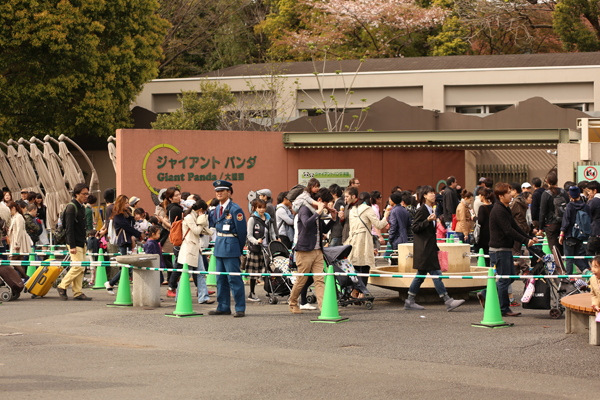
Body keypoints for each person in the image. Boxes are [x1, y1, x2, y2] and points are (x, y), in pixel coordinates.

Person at [477, 183, 537, 317]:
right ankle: (503, 309)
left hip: (504, 248)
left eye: (511, 192)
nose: (511, 194)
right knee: (505, 279)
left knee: (510, 276)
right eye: (508, 193)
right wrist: (526, 241)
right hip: (498, 249)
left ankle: (486, 293)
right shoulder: (498, 210)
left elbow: (515, 226)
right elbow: (508, 230)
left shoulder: (505, 208)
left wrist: (529, 237)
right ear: (501, 196)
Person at [404, 186, 464, 311]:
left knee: (420, 276)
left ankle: (410, 300)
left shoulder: (430, 209)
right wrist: (427, 220)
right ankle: (448, 300)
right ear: (424, 196)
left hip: (428, 249)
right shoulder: (422, 210)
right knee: (436, 274)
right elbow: (415, 227)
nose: (433, 194)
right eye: (430, 193)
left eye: (433, 192)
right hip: (425, 250)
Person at [288, 188, 337, 314]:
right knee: (301, 280)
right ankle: (293, 302)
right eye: (326, 203)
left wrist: (333, 219)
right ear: (320, 200)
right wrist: (319, 212)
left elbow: (323, 230)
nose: (327, 206)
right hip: (304, 250)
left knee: (320, 280)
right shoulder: (305, 209)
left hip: (317, 251)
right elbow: (306, 224)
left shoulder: (317, 212)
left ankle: (324, 307)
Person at [209, 180, 247, 318]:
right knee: (220, 279)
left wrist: (239, 248)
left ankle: (240, 307)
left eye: (222, 191)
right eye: (217, 191)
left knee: (234, 279)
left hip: (231, 246)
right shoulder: (215, 210)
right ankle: (223, 306)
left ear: (229, 192)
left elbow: (242, 232)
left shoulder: (235, 209)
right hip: (219, 246)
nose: (219, 193)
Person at [56, 183, 92, 301]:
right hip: (74, 242)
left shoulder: (82, 206)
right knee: (78, 267)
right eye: (83, 194)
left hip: (82, 241)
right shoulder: (72, 207)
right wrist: (71, 245)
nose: (86, 196)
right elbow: (69, 228)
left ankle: (77, 292)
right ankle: (62, 286)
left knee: (81, 267)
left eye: (87, 193)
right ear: (76, 194)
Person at [346, 191, 389, 288]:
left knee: (356, 266)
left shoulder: (352, 209)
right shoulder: (368, 209)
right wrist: (386, 215)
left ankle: (354, 292)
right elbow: (378, 225)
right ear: (369, 199)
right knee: (365, 267)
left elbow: (351, 227)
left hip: (353, 240)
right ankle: (362, 293)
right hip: (364, 240)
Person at [104, 195, 144, 294]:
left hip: (129, 242)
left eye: (128, 203)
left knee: (128, 266)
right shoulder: (118, 215)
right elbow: (127, 227)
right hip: (123, 241)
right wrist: (139, 234)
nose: (128, 204)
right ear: (121, 203)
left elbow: (132, 223)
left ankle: (111, 283)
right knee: (127, 266)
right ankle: (111, 283)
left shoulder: (127, 213)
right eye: (126, 203)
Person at [178, 199, 213, 304]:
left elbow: (201, 230)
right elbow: (197, 230)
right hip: (189, 249)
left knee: (201, 273)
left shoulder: (194, 216)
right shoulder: (189, 217)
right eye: (205, 212)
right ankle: (179, 297)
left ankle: (204, 297)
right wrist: (202, 220)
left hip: (195, 249)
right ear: (201, 210)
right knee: (186, 275)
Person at [246, 199, 278, 302]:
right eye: (259, 207)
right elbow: (249, 235)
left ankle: (269, 292)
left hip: (266, 248)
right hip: (255, 249)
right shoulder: (252, 219)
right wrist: (256, 241)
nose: (262, 209)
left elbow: (272, 232)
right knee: (254, 273)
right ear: (255, 208)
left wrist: (275, 240)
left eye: (263, 207)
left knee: (267, 271)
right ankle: (252, 293)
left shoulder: (268, 218)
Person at [559, 186, 591, 274]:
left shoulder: (569, 206)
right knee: (576, 257)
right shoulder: (585, 206)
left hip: (569, 236)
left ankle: (569, 278)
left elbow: (566, 222)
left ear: (570, 196)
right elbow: (589, 220)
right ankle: (586, 271)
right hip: (580, 236)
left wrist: (561, 235)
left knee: (569, 258)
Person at [539, 172, 569, 257]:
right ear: (557, 181)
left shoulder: (546, 194)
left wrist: (540, 228)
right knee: (562, 248)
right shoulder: (564, 192)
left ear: (547, 181)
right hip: (563, 224)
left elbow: (542, 212)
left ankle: (559, 269)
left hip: (551, 225)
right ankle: (562, 268)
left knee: (554, 250)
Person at [164, 187, 183, 297]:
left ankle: (201, 290)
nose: (178, 197)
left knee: (196, 267)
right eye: (176, 195)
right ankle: (171, 287)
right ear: (170, 198)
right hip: (180, 240)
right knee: (179, 265)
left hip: (178, 240)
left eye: (179, 194)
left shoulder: (172, 207)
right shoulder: (176, 209)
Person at [7, 201, 31, 280]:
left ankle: (25, 277)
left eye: (9, 209)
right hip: (16, 240)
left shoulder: (18, 217)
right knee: (19, 261)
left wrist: (17, 243)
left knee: (12, 260)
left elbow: (19, 231)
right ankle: (22, 280)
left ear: (13, 208)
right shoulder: (15, 217)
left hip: (18, 241)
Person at [386, 191, 410, 266]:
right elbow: (409, 224)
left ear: (393, 200)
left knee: (396, 261)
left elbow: (393, 226)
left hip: (396, 238)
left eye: (390, 199)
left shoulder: (393, 211)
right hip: (404, 237)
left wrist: (390, 237)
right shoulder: (404, 210)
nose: (389, 201)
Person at [143, 225, 169, 293]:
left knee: (159, 280)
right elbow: (149, 256)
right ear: (153, 234)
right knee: (156, 281)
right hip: (154, 266)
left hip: (157, 265)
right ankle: (153, 295)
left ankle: (155, 295)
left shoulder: (153, 242)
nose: (159, 234)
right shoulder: (151, 244)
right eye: (158, 233)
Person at [586, 181, 600, 257]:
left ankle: (595, 267)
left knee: (589, 253)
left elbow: (586, 213)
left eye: (589, 191)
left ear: (595, 191)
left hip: (595, 232)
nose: (588, 193)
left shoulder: (594, 201)